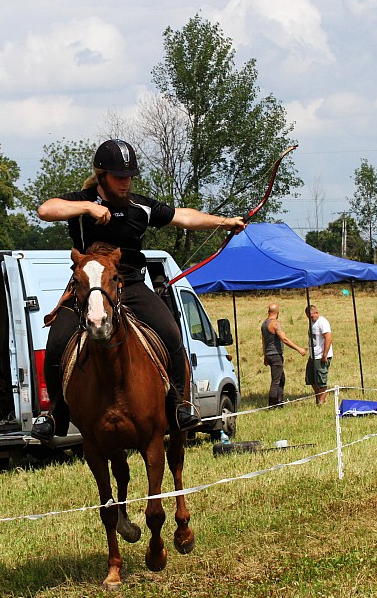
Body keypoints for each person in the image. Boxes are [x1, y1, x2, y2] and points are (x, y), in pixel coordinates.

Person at [30, 139, 247, 442]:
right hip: (88, 288)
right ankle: (54, 415)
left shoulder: (140, 207)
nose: (125, 183)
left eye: (129, 177)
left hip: (130, 284)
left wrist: (224, 222)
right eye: (119, 177)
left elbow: (183, 216)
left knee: (170, 332)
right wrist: (88, 208)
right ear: (102, 175)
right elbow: (45, 209)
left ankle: (181, 406)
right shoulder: (82, 202)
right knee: (55, 343)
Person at [261, 303, 307, 407]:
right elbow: (284, 339)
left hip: (269, 354)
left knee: (281, 378)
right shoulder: (275, 324)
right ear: (277, 312)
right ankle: (272, 405)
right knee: (276, 381)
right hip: (276, 355)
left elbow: (263, 341)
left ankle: (280, 402)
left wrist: (265, 355)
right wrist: (298, 349)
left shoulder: (264, 324)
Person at [304, 304, 333, 405]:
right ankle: (318, 398)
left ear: (317, 313)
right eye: (308, 316)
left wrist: (324, 355)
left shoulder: (323, 322)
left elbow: (328, 338)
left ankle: (321, 402)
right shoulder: (311, 323)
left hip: (321, 356)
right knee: (311, 379)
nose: (310, 318)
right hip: (313, 356)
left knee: (321, 380)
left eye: (312, 316)